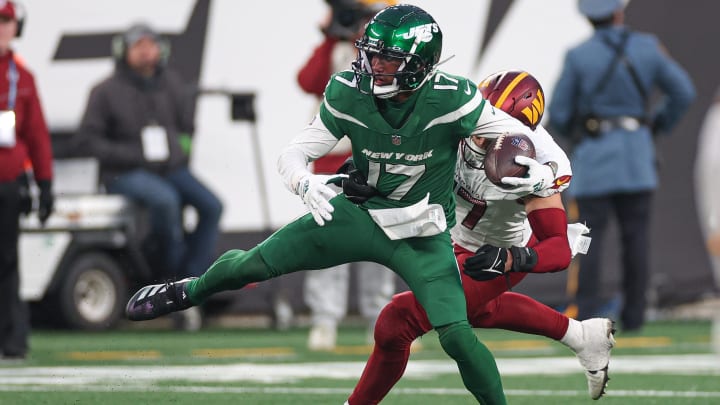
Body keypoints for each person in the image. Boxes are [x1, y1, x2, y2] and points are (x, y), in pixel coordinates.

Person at [127, 5, 556, 403]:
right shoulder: (349, 91)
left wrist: (543, 170)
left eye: (388, 59)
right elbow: (293, 153)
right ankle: (186, 291)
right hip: (358, 213)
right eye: (371, 55)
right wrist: (303, 182)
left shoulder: (453, 97)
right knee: (253, 264)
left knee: (458, 337)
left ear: (420, 65)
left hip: (423, 232)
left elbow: (523, 134)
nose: (374, 66)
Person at [344, 70, 615, 405]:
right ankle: (582, 336)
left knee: (398, 320)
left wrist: (513, 259)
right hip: (456, 237)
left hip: (502, 249)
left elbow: (558, 249)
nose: (477, 135)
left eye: (490, 133)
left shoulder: (535, 165)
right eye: (480, 120)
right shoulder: (456, 116)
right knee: (477, 311)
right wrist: (367, 171)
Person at [548, 0, 695, 331]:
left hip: (594, 161)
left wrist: (581, 132)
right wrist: (654, 126)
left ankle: (585, 312)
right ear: (618, 12)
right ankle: (635, 316)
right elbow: (683, 91)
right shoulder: (647, 48)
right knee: (636, 240)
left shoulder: (579, 56)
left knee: (587, 240)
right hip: (636, 160)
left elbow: (558, 112)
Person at [76, 23, 223, 329]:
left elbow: (187, 130)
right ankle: (167, 282)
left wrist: (177, 153)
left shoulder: (172, 84)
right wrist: (131, 154)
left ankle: (192, 281)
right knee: (166, 201)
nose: (146, 52)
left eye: (150, 45)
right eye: (138, 46)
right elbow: (88, 140)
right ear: (124, 52)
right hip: (125, 173)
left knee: (211, 205)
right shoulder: (105, 91)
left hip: (170, 169)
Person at [298, 0, 396, 351]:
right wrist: (330, 36)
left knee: (379, 241)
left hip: (377, 156)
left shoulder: (390, 54)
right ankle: (324, 321)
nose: (360, 23)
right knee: (328, 241)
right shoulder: (336, 48)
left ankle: (380, 320)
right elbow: (307, 81)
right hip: (331, 161)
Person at [0, 0, 54, 361]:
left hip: (8, 180)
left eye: (6, 22)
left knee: (7, 261)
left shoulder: (24, 77)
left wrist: (45, 183)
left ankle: (13, 340)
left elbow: (37, 135)